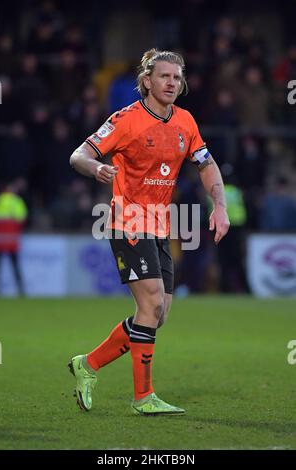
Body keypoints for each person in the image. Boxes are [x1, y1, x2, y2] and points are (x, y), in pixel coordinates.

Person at [69, 48, 230, 416]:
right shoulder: (125, 120)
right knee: (152, 304)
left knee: (158, 315)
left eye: (177, 76)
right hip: (126, 221)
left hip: (159, 225)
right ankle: (143, 398)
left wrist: (219, 205)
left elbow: (207, 165)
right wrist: (96, 169)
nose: (171, 82)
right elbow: (78, 155)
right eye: (164, 76)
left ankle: (88, 365)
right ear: (146, 82)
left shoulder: (186, 122)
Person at [0, 179, 28, 295]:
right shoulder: (16, 201)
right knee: (15, 266)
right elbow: (22, 217)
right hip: (12, 240)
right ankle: (21, 290)